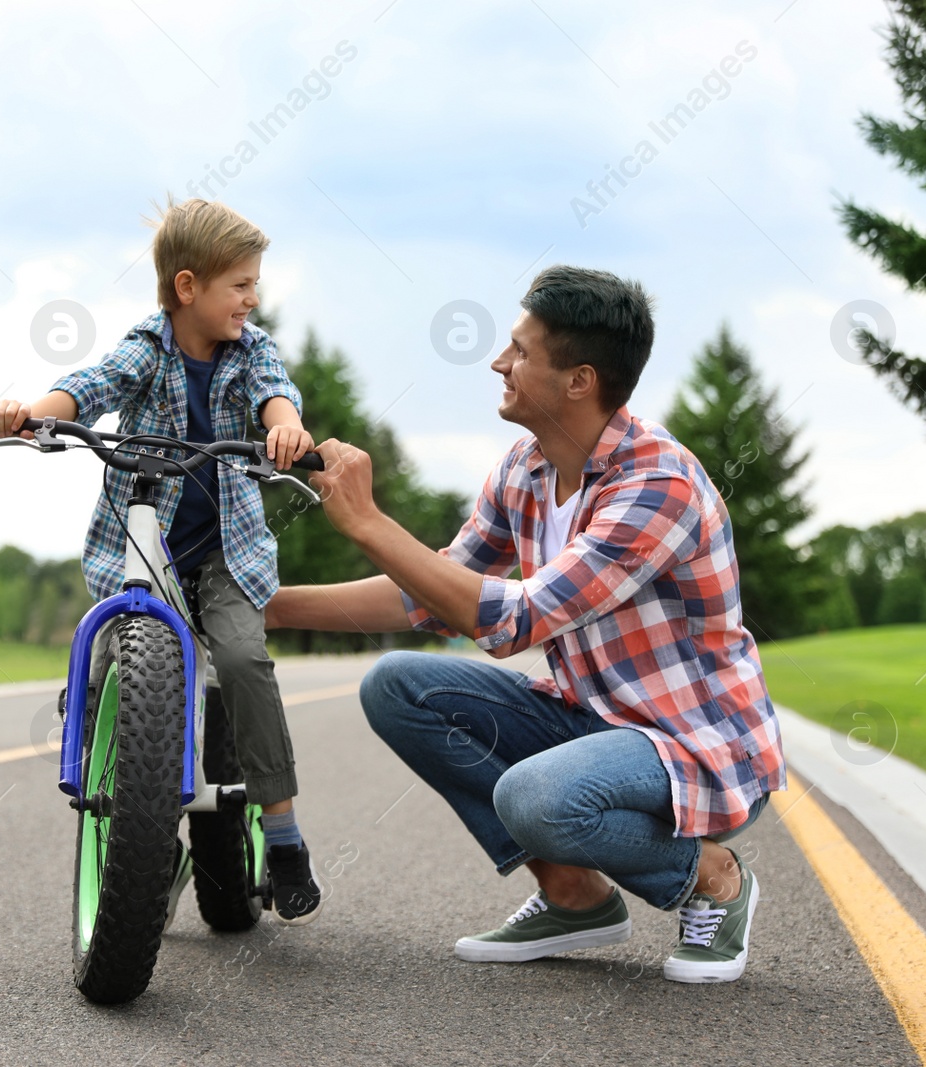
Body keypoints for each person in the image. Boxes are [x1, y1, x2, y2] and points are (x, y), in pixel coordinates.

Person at [265, 265, 786, 979]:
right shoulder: (526, 469)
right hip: (593, 718)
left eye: (521, 350)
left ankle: (715, 876)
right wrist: (261, 604)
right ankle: (575, 896)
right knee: (396, 686)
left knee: (533, 796)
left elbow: (519, 621)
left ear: (579, 379)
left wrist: (368, 521)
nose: (499, 362)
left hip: (691, 746)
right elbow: (428, 596)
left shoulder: (657, 485)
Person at [0, 198, 324, 924]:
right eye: (240, 284)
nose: (252, 298)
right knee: (108, 666)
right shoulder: (148, 345)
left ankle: (287, 834)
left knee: (239, 661)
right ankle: (137, 829)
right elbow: (93, 383)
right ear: (187, 287)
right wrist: (34, 415)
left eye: (255, 284)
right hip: (142, 550)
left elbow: (276, 398)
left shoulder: (251, 349)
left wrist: (288, 430)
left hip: (226, 556)